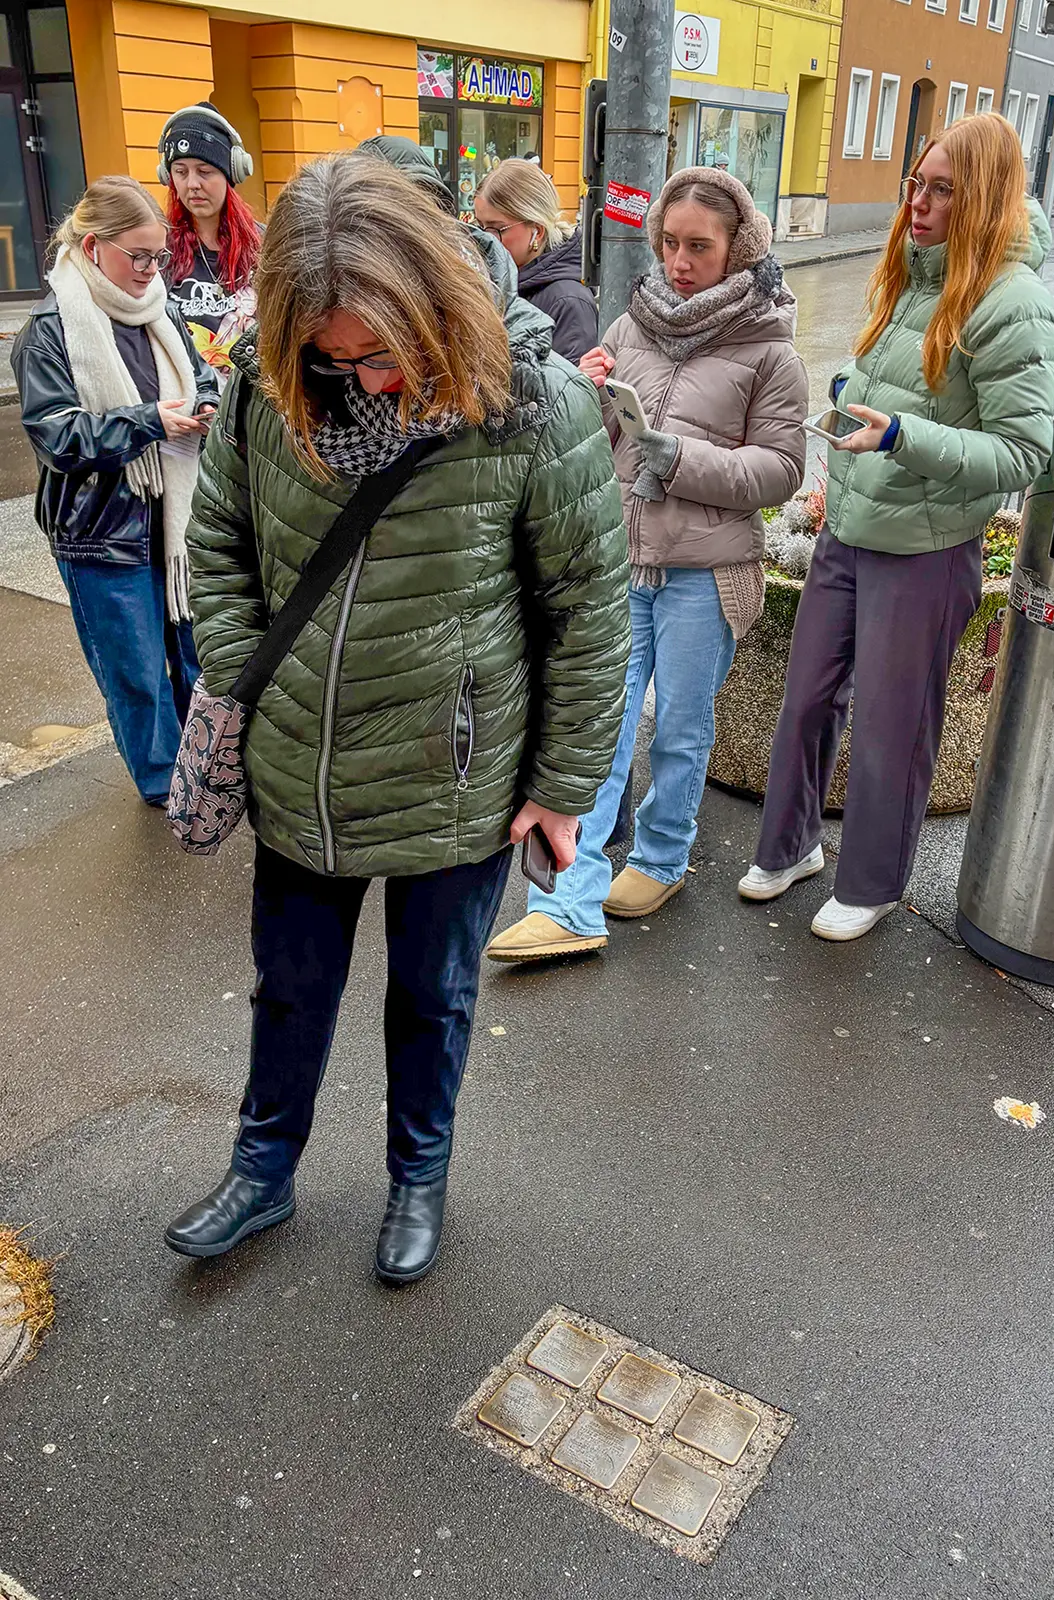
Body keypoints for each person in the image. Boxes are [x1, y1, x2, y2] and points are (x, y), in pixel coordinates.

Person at [163, 153, 630, 1281]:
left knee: (434, 997)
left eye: (380, 354)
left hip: (454, 775)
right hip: (298, 765)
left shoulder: (534, 402)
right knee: (290, 986)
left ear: (434, 302)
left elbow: (588, 608)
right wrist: (243, 669)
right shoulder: (270, 390)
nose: (358, 379)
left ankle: (418, 1176)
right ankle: (261, 1170)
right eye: (329, 358)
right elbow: (217, 541)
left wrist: (563, 784)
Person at [739, 112, 1054, 942]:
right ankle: (790, 845)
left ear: (983, 195)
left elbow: (1023, 450)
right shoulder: (913, 272)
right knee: (806, 697)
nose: (918, 202)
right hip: (851, 525)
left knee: (892, 722)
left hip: (924, 548)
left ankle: (874, 883)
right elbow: (900, 384)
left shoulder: (1012, 300)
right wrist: (853, 389)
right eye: (916, 182)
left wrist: (901, 436)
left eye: (943, 189)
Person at [487, 166, 808, 963]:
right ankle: (570, 901)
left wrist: (683, 459)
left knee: (681, 733)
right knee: (601, 728)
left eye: (699, 246)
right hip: (621, 562)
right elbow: (592, 440)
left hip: (707, 572)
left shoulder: (770, 347)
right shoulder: (633, 325)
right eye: (669, 243)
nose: (678, 262)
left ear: (740, 248)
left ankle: (662, 858)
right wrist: (583, 391)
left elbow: (781, 470)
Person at [12, 175, 219, 806]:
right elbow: (57, 436)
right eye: (140, 255)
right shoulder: (49, 329)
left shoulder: (157, 307)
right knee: (135, 679)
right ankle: (165, 789)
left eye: (160, 256)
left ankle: (204, 774)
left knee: (194, 661)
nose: (152, 268)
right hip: (100, 533)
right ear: (95, 244)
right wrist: (153, 420)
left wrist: (206, 400)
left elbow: (201, 373)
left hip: (175, 524)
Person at [159, 103, 261, 380]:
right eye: (180, 172)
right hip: (187, 403)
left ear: (231, 174)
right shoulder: (157, 251)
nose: (192, 184)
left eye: (204, 171)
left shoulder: (264, 246)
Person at [474, 159, 597, 364]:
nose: (487, 239)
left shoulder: (569, 302)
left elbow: (570, 392)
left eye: (497, 228)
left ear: (537, 231)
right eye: (481, 226)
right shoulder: (500, 281)